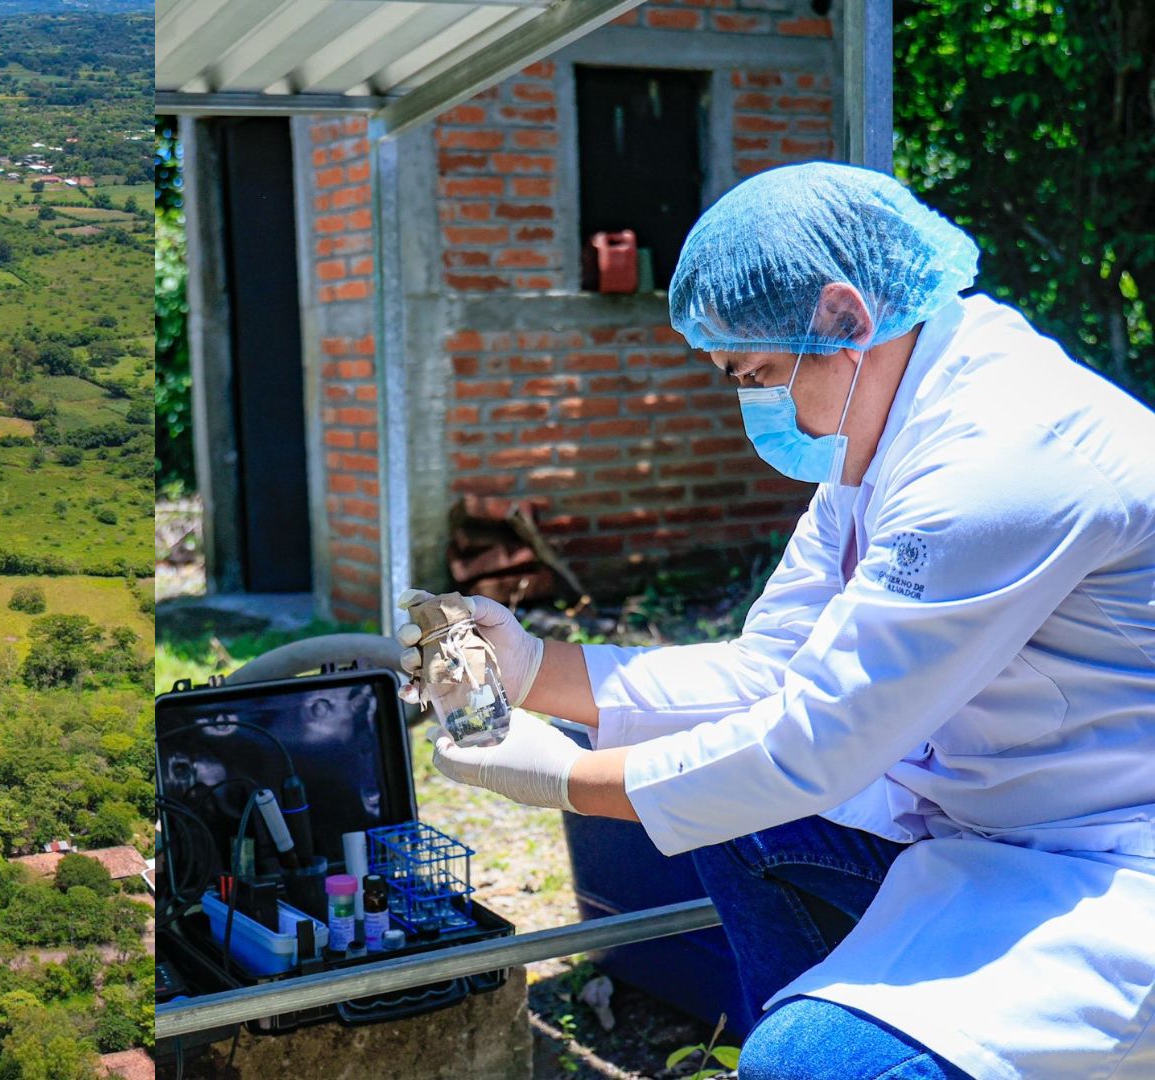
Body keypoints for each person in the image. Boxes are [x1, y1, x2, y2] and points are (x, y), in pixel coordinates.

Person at [403, 162, 1155, 1080]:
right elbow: (772, 669)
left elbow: (813, 743)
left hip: (1106, 861)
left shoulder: (1005, 457)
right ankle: (809, 1021)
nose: (750, 404)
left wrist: (567, 777)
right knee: (733, 817)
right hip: (983, 817)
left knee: (803, 1067)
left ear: (845, 317)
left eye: (755, 372)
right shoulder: (885, 424)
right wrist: (533, 671)